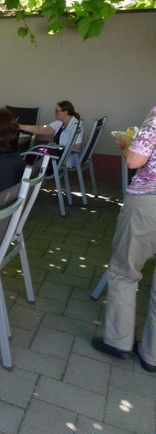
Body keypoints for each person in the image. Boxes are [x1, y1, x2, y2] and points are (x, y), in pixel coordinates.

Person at [91, 107, 156, 373]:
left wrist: (127, 145)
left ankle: (119, 342)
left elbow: (135, 161)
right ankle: (152, 355)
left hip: (149, 204)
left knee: (124, 271)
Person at [19, 100, 83, 168]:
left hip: (61, 160)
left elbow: (77, 148)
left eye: (57, 111)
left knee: (30, 156)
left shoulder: (76, 126)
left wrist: (58, 146)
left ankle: (28, 172)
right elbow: (41, 129)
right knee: (32, 154)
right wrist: (20, 126)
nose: (55, 113)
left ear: (65, 112)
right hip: (55, 155)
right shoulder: (60, 123)